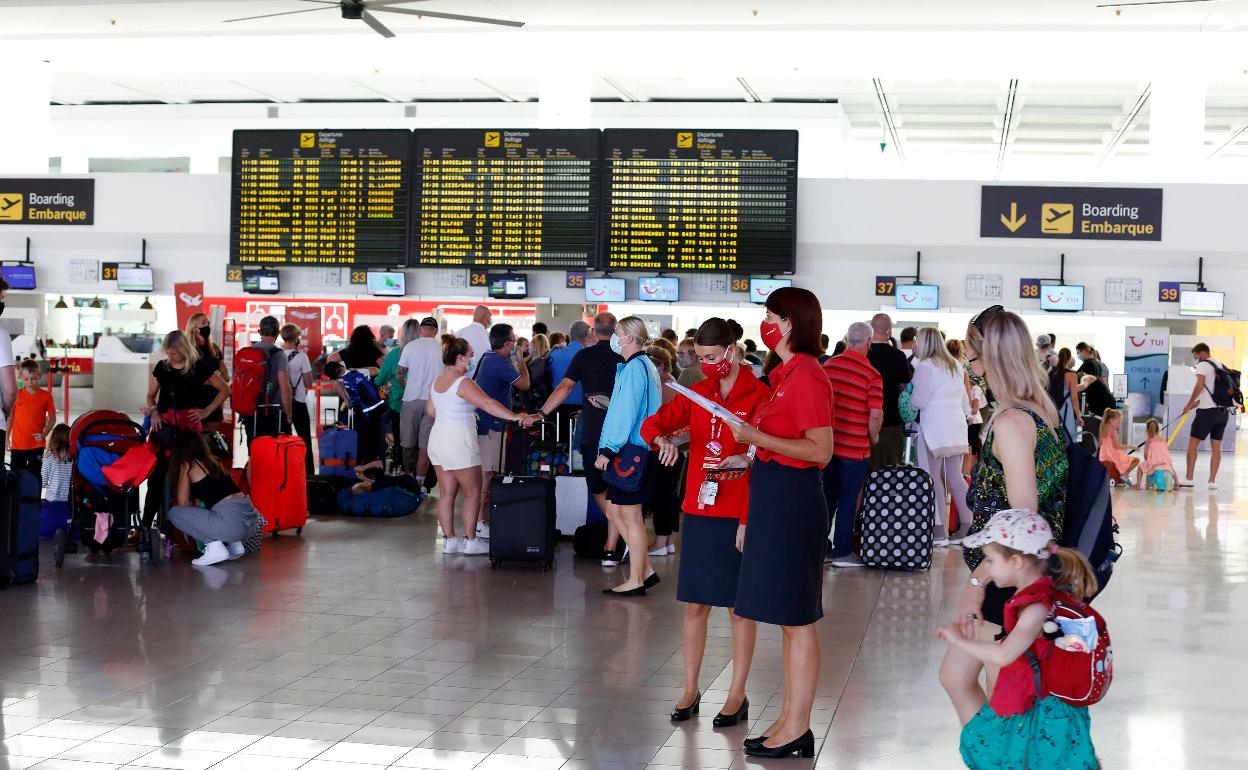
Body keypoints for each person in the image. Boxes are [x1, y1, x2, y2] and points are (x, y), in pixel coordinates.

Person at [939, 306, 1068, 729]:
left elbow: (1021, 519)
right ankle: (992, 756)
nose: (970, 369)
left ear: (992, 359)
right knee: (956, 677)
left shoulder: (1013, 421)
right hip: (1011, 574)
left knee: (1002, 700)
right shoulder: (1037, 410)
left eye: (972, 359)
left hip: (1010, 579)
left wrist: (978, 585)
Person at [718, 287, 833, 759]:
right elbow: (782, 441)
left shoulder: (806, 374)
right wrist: (749, 457)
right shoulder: (784, 374)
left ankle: (799, 727)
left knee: (797, 620)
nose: (763, 324)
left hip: (793, 505)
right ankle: (789, 718)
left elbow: (819, 450)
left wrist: (755, 436)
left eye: (769, 316)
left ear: (788, 323)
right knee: (787, 621)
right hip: (774, 498)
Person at [641, 317, 770, 728]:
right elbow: (654, 423)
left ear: (732, 350)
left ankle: (737, 695)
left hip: (739, 512)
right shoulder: (697, 393)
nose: (705, 363)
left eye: (711, 356)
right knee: (696, 605)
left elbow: (769, 457)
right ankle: (689, 689)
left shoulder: (761, 395)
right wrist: (659, 440)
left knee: (739, 609)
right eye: (699, 356)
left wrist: (747, 471)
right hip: (699, 509)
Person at [938, 509, 1101, 769]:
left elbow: (1004, 654)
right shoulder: (1040, 595)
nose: (986, 569)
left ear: (1015, 562)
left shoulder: (1036, 607)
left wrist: (959, 640)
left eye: (990, 560)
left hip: (1041, 711)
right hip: (1039, 705)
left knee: (1007, 754)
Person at [427, 336, 534, 556]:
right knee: (473, 492)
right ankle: (471, 540)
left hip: (438, 438)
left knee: (446, 494)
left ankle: (450, 541)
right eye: (469, 354)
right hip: (459, 440)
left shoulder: (438, 381)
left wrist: (452, 413)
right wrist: (514, 417)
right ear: (459, 358)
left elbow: (431, 411)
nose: (473, 358)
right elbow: (487, 403)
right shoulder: (463, 382)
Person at [536, 313, 625, 566]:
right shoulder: (626, 357)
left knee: (597, 486)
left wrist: (541, 413)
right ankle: (615, 542)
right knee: (618, 489)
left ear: (593, 333)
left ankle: (616, 541)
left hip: (593, 433)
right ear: (617, 332)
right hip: (622, 434)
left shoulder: (584, 356)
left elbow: (564, 388)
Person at [596, 316, 663, 596]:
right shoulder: (639, 366)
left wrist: (609, 448)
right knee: (614, 510)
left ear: (630, 338)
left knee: (631, 516)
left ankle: (636, 578)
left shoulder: (636, 368)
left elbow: (627, 412)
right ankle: (645, 570)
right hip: (636, 448)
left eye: (618, 332)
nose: (614, 336)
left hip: (629, 451)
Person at [146, 330, 230, 527]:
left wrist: (206, 411)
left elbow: (225, 390)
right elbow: (150, 395)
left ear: (183, 350)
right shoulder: (162, 368)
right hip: (164, 430)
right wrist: (154, 411)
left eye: (173, 353)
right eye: (167, 353)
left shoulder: (199, 368)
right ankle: (145, 526)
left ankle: (181, 526)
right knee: (156, 478)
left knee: (186, 478)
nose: (170, 357)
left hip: (189, 433)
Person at [821, 321, 882, 568]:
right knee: (848, 500)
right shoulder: (872, 374)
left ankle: (821, 548)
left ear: (847, 339)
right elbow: (875, 414)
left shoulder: (829, 366)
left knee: (826, 498)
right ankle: (843, 552)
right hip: (855, 450)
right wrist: (874, 436)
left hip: (827, 446)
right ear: (868, 343)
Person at [911, 328, 973, 546]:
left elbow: (918, 401)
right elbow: (966, 400)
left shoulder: (925, 367)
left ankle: (938, 531)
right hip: (956, 428)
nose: (915, 344)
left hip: (932, 428)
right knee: (955, 476)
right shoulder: (956, 365)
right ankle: (968, 525)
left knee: (932, 477)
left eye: (918, 341)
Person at [167, 430, 260, 567]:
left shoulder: (188, 464)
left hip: (231, 525)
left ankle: (214, 547)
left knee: (174, 513)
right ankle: (234, 545)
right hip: (250, 523)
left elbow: (183, 502)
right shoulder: (214, 461)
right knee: (215, 510)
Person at [472, 323, 531, 537]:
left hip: (487, 424)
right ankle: (479, 522)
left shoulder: (488, 358)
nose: (515, 345)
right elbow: (524, 384)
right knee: (487, 476)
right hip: (492, 427)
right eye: (514, 341)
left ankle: (482, 520)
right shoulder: (498, 362)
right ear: (507, 344)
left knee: (488, 474)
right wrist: (522, 361)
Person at [642, 343, 682, 557]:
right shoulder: (672, 383)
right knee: (668, 495)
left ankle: (660, 542)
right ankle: (665, 541)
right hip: (676, 448)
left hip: (664, 448)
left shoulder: (663, 386)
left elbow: (656, 419)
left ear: (660, 366)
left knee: (662, 496)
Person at [397, 317, 442, 486]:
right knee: (425, 446)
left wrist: (407, 387)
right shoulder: (442, 349)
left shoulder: (410, 346)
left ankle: (409, 480)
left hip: (412, 399)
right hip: (433, 402)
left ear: (421, 329)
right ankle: (420, 484)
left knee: (407, 443)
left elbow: (400, 373)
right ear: (436, 331)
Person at [1180, 342, 1229, 489]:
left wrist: (1190, 403)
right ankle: (1212, 481)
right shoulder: (1220, 364)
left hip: (1207, 413)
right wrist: (1197, 403)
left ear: (1201, 353)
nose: (1196, 360)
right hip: (1222, 412)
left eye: (1196, 357)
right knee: (1216, 448)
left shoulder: (1203, 365)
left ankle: (1189, 478)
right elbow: (1217, 392)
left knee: (1192, 445)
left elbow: (1199, 385)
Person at [238, 316, 293, 446]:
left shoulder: (246, 353)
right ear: (278, 334)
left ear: (259, 332)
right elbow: (285, 389)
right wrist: (289, 415)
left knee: (254, 452)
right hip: (271, 411)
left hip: (249, 409)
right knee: (273, 452)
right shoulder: (279, 355)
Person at [867, 313, 912, 469]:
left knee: (865, 475)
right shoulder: (898, 356)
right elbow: (903, 387)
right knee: (890, 475)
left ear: (871, 329)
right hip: (892, 422)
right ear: (889, 332)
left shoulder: (863, 354)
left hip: (863, 423)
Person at [377, 319, 420, 470]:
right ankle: (420, 476)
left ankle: (402, 472)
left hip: (398, 403)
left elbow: (380, 379)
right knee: (419, 442)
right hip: (422, 403)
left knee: (401, 440)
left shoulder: (395, 354)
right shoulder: (427, 354)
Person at [8, 359, 56, 474]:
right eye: (26, 379)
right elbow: (10, 417)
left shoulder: (46, 396)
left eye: (33, 379)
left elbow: (53, 418)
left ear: (39, 376)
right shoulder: (17, 395)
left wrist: (44, 434)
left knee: (35, 476)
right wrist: (6, 439)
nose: (30, 382)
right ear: (20, 377)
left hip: (37, 445)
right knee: (16, 476)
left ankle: (34, 493)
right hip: (17, 445)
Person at [185, 312, 230, 432]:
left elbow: (226, 376)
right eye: (203, 323)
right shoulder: (187, 350)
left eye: (208, 323)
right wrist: (214, 378)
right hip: (192, 402)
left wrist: (210, 381)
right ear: (194, 327)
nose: (207, 326)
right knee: (194, 442)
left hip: (213, 402)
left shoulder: (214, 348)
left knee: (211, 442)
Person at [280, 324, 315, 475]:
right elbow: (308, 383)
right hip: (298, 402)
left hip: (281, 403)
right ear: (296, 339)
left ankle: (285, 471)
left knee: (283, 439)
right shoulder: (302, 357)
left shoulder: (277, 355)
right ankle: (308, 473)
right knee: (305, 439)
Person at [546, 320, 588, 443]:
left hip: (556, 408)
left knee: (559, 447)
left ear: (569, 336)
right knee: (578, 450)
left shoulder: (554, 354)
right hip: (582, 411)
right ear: (586, 337)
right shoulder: (590, 356)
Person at [40, 423, 71, 541]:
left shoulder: (49, 457)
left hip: (52, 501)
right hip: (69, 502)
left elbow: (42, 482)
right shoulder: (74, 457)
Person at [1046, 348, 1084, 444]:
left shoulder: (1052, 372)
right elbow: (1074, 398)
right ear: (1070, 358)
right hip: (1066, 408)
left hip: (1052, 408)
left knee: (1055, 435)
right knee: (1068, 437)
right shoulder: (1071, 375)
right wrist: (1079, 416)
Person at [0, 278, 18, 464]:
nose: (3, 299)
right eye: (1, 295)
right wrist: (5, 411)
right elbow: (11, 389)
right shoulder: (1, 334)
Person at [1098, 408, 1139, 487]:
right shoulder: (1113, 431)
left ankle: (1122, 476)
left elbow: (1100, 443)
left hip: (1103, 455)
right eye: (1118, 422)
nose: (1119, 424)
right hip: (1113, 454)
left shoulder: (1102, 426)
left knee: (1125, 460)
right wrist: (1132, 446)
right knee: (1136, 460)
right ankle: (1125, 475)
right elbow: (1118, 446)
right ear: (1111, 420)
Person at [1141, 417, 1178, 489]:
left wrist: (1147, 459)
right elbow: (1165, 452)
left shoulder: (1148, 440)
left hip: (1153, 462)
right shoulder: (1162, 439)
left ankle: (1138, 484)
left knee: (1140, 468)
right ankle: (1176, 483)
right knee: (1172, 468)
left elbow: (1145, 455)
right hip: (1165, 461)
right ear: (1158, 429)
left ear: (1147, 430)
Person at [457, 305, 492, 374]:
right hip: (481, 379)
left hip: (461, 378)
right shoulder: (489, 337)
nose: (490, 320)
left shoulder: (459, 333)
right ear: (485, 318)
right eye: (490, 317)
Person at [524, 333, 553, 412]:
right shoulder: (538, 361)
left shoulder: (539, 363)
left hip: (537, 401)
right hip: (537, 399)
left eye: (530, 345)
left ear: (536, 347)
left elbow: (531, 381)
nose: (529, 347)